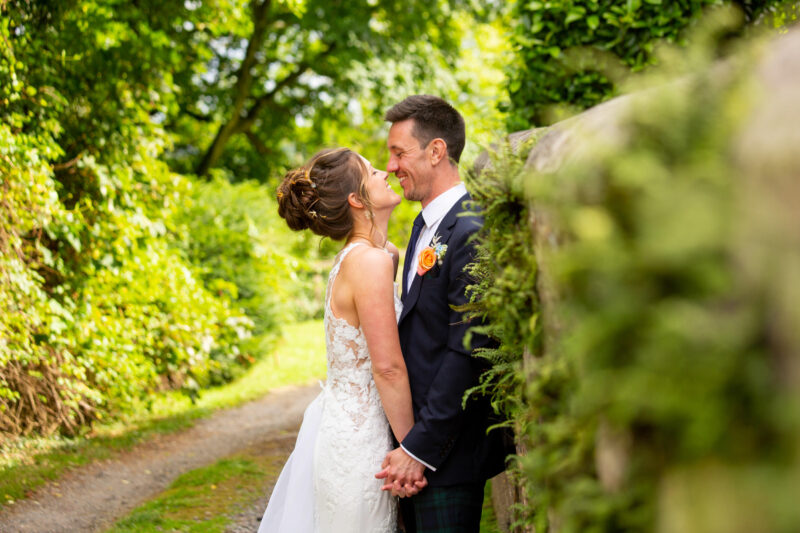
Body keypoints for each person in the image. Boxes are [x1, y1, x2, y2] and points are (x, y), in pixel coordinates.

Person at [259, 147, 424, 532]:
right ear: (356, 199)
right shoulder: (368, 262)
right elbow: (386, 367)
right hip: (358, 440)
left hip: (345, 425)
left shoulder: (373, 255)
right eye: (371, 172)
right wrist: (412, 449)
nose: (385, 172)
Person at [375, 95, 511, 533]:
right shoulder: (423, 226)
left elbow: (468, 351)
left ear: (436, 151)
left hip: (448, 456)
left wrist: (419, 450)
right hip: (416, 444)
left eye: (399, 153)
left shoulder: (472, 230)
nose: (392, 166)